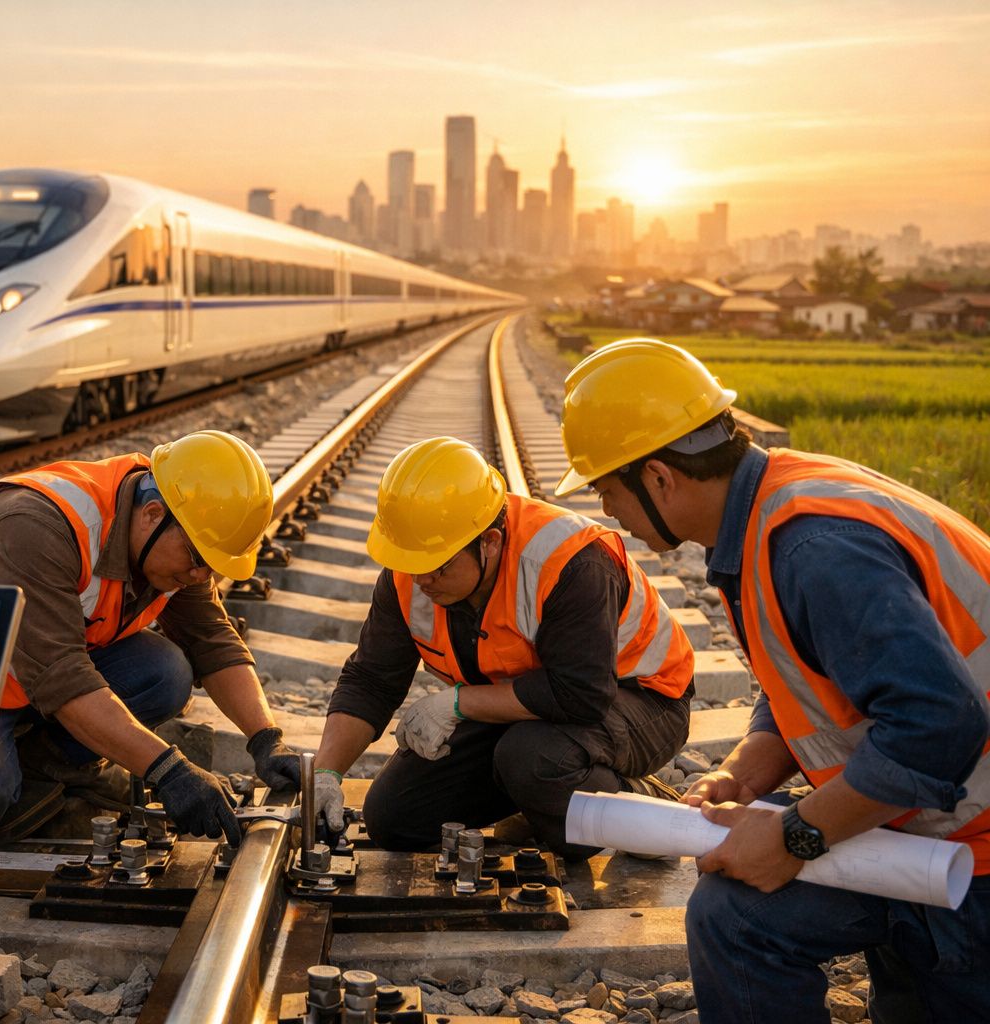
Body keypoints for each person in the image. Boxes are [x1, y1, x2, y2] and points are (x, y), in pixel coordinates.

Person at [556, 338, 990, 1022]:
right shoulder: (765, 515)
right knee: (735, 915)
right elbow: (806, 678)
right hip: (915, 817)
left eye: (608, 489)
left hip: (973, 847)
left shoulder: (814, 547)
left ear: (661, 477)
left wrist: (794, 839)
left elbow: (941, 724)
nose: (609, 511)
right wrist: (746, 773)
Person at [0, 429, 301, 846]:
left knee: (164, 671)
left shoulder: (169, 530)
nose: (199, 576)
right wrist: (169, 771)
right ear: (153, 515)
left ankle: (40, 766)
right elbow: (64, 678)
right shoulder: (35, 525)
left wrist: (266, 740)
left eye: (210, 566)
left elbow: (212, 641)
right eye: (198, 560)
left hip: (14, 675)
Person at [312, 436, 695, 859]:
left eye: (437, 566)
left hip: (643, 699)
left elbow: (580, 694)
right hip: (524, 707)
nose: (422, 581)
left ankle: (640, 798)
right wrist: (326, 773)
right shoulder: (413, 573)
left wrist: (458, 703)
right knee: (393, 817)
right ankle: (540, 800)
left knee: (535, 764)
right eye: (409, 562)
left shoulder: (570, 561)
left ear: (490, 542)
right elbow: (371, 680)